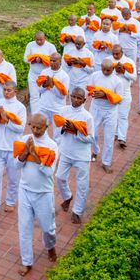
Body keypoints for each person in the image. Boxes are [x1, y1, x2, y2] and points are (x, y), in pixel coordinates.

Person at [15, 113, 58, 275]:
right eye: (32, 126)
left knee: (48, 227)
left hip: (44, 193)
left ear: (46, 127)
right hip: (25, 190)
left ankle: (50, 245)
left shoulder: (52, 146)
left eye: (39, 127)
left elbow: (49, 173)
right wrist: (25, 153)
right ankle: (26, 261)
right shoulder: (24, 139)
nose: (35, 130)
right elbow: (16, 166)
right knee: (24, 227)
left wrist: (35, 154)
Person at [55, 87, 94, 223]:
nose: (76, 100)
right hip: (66, 151)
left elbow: (90, 138)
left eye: (79, 98)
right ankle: (67, 196)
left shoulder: (87, 116)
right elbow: (58, 129)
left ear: (84, 100)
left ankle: (77, 211)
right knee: (59, 177)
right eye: (74, 97)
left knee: (82, 184)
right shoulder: (63, 111)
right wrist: (64, 129)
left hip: (81, 156)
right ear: (70, 96)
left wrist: (76, 132)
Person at [0, 80, 27, 212]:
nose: (6, 92)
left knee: (13, 178)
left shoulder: (20, 108)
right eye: (4, 89)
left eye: (8, 90)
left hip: (13, 149)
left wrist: (7, 120)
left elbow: (20, 128)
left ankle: (10, 201)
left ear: (15, 91)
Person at [88, 58, 123, 173]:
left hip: (110, 111)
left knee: (109, 138)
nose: (105, 72)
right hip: (96, 108)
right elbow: (90, 90)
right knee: (92, 133)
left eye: (108, 70)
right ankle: (95, 151)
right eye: (103, 69)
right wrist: (95, 93)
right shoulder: (95, 76)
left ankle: (106, 162)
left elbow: (119, 100)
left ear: (113, 68)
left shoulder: (117, 81)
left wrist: (105, 95)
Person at [35, 52, 70, 136]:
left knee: (57, 135)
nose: (52, 63)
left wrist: (52, 86)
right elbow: (39, 90)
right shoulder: (44, 72)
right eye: (51, 60)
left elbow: (62, 96)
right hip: (44, 106)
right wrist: (45, 85)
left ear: (60, 61)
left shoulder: (64, 76)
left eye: (54, 61)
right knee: (40, 131)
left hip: (57, 109)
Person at [110, 44, 137, 150]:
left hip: (125, 93)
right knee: (113, 115)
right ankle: (115, 134)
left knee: (123, 116)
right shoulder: (108, 60)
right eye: (114, 54)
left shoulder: (129, 62)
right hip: (112, 93)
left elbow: (134, 77)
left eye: (117, 54)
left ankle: (122, 138)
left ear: (122, 52)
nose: (115, 56)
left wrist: (124, 72)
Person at [23, 31, 57, 110]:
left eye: (41, 40)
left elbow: (55, 60)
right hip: (33, 74)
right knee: (34, 96)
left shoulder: (50, 46)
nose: (39, 41)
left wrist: (43, 60)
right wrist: (34, 60)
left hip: (46, 75)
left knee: (46, 95)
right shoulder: (30, 45)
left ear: (45, 38)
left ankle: (44, 115)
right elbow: (25, 58)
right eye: (37, 40)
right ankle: (35, 116)